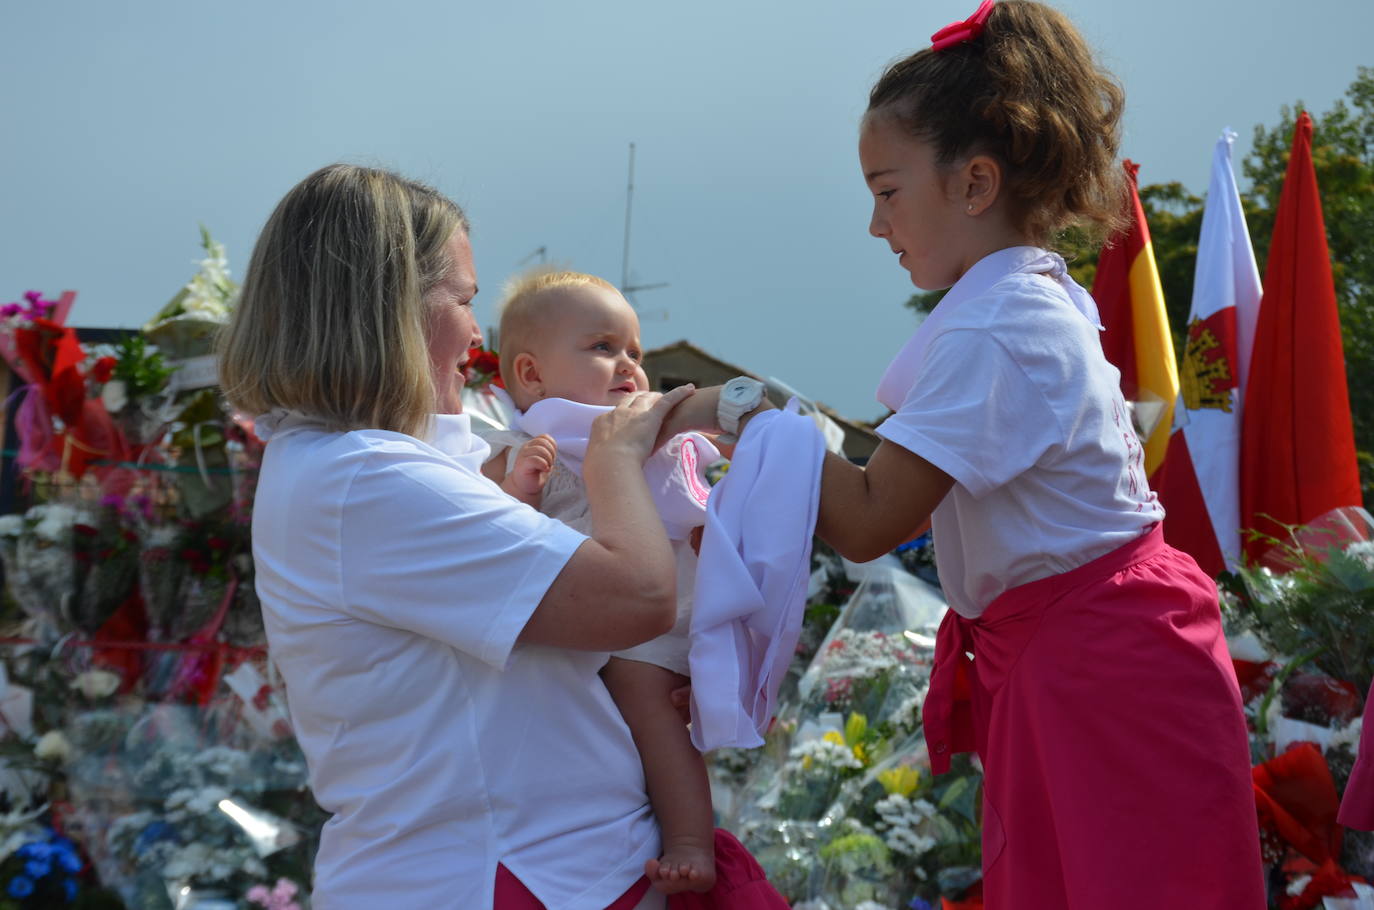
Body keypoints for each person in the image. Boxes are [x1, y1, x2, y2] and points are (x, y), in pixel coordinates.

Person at [662, 2, 1266, 906]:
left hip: (1100, 664)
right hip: (1090, 653)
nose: (877, 225)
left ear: (976, 183)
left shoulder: (997, 328)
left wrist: (744, 406)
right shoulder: (1017, 303)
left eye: (887, 191)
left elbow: (870, 517)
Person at [218, 163, 696, 909]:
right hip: (508, 873)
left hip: (522, 866)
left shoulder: (352, 463)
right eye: (466, 301)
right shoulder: (363, 477)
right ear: (389, 307)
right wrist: (616, 455)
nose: (478, 336)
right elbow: (636, 596)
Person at [480, 270, 717, 894]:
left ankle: (692, 840)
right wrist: (520, 492)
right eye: (603, 347)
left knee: (649, 708)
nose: (629, 364)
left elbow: (699, 511)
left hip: (652, 627)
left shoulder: (654, 437)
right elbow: (495, 543)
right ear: (531, 375)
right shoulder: (514, 449)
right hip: (571, 629)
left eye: (635, 351)